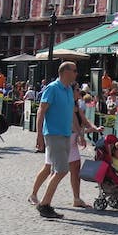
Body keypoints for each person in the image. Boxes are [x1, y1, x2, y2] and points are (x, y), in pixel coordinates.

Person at [32, 84, 102, 208]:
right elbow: (71, 122)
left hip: (72, 141)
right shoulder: (66, 103)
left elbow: (83, 120)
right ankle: (36, 196)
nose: (79, 92)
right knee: (50, 169)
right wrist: (81, 134)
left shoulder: (76, 104)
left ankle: (76, 198)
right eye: (76, 90)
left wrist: (94, 128)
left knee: (75, 168)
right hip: (61, 139)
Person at [33, 61, 78, 219]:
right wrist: (39, 134)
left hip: (65, 134)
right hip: (53, 134)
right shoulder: (52, 88)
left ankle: (44, 203)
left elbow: (71, 112)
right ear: (65, 72)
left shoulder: (68, 90)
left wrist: (78, 131)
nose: (76, 73)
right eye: (74, 70)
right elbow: (41, 110)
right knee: (62, 170)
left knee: (56, 170)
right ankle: (44, 205)